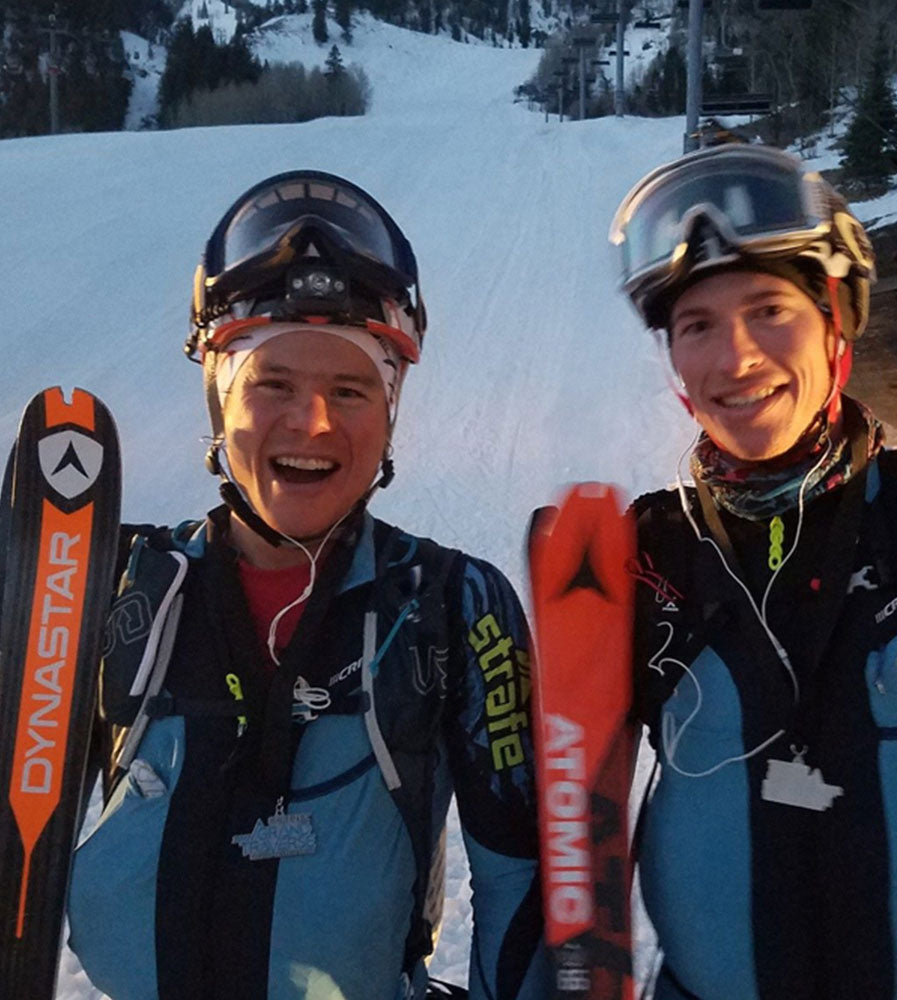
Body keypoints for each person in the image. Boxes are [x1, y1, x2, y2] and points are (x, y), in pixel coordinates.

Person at [67, 171, 545, 1000]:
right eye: (273, 385)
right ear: (219, 398)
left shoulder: (452, 607)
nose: (312, 422)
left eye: (350, 389)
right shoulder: (115, 587)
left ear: (391, 412)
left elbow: (516, 881)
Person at [608, 145, 897, 1000]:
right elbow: (575, 815)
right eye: (697, 325)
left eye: (769, 310)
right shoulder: (645, 555)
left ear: (837, 322)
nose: (735, 357)